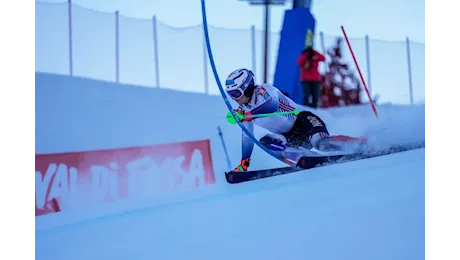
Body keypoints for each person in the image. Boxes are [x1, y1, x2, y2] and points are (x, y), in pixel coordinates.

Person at [225, 68, 340, 173]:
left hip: (304, 121)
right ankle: (305, 157)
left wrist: (249, 115)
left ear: (247, 88)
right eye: (230, 94)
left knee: (321, 144)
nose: (234, 98)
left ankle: (350, 147)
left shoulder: (264, 90)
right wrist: (244, 163)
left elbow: (272, 106)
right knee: (266, 142)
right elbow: (247, 137)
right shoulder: (244, 111)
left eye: (236, 93)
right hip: (290, 137)